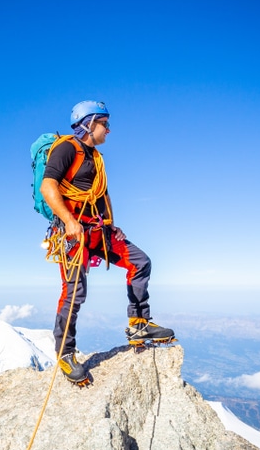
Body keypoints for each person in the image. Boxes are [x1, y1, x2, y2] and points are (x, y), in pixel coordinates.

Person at [40, 100, 174, 384]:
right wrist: (68, 220)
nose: (109, 130)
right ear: (89, 123)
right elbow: (48, 186)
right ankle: (65, 353)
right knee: (75, 292)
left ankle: (139, 325)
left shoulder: (96, 158)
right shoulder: (66, 149)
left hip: (98, 231)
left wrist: (111, 224)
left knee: (140, 262)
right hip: (73, 233)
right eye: (105, 123)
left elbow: (100, 195)